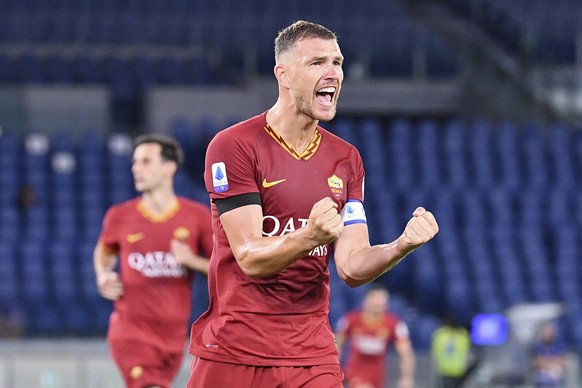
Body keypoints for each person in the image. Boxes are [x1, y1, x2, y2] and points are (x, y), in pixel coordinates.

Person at [187, 20, 439, 388]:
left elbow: (352, 266)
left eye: (337, 62)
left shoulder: (346, 159)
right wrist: (309, 236)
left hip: (311, 354)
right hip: (235, 351)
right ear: (284, 75)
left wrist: (401, 246)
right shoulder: (234, 146)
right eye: (317, 62)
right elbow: (250, 257)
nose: (333, 72)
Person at [93, 134, 213, 388]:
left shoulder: (196, 217)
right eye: (135, 162)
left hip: (174, 337)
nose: (136, 168)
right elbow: (104, 251)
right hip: (131, 333)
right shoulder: (120, 216)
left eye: (146, 161)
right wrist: (103, 275)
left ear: (169, 168)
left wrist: (192, 261)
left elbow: (222, 268)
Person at [335, 285, 415, 388]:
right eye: (375, 299)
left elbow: (406, 353)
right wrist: (334, 369)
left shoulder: (394, 324)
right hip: (355, 374)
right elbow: (337, 346)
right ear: (366, 300)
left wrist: (407, 377)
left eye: (382, 300)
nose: (378, 303)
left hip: (378, 377)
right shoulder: (350, 320)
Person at [431, 314, 474, 388]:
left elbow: (435, 351)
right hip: (459, 370)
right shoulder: (463, 334)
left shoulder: (440, 334)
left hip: (443, 370)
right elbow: (468, 351)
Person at [530, 321, 567, 388]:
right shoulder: (537, 347)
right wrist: (552, 363)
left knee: (557, 375)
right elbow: (537, 363)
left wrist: (546, 362)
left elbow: (562, 362)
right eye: (546, 331)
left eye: (550, 331)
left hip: (556, 375)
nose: (548, 334)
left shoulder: (559, 346)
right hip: (542, 376)